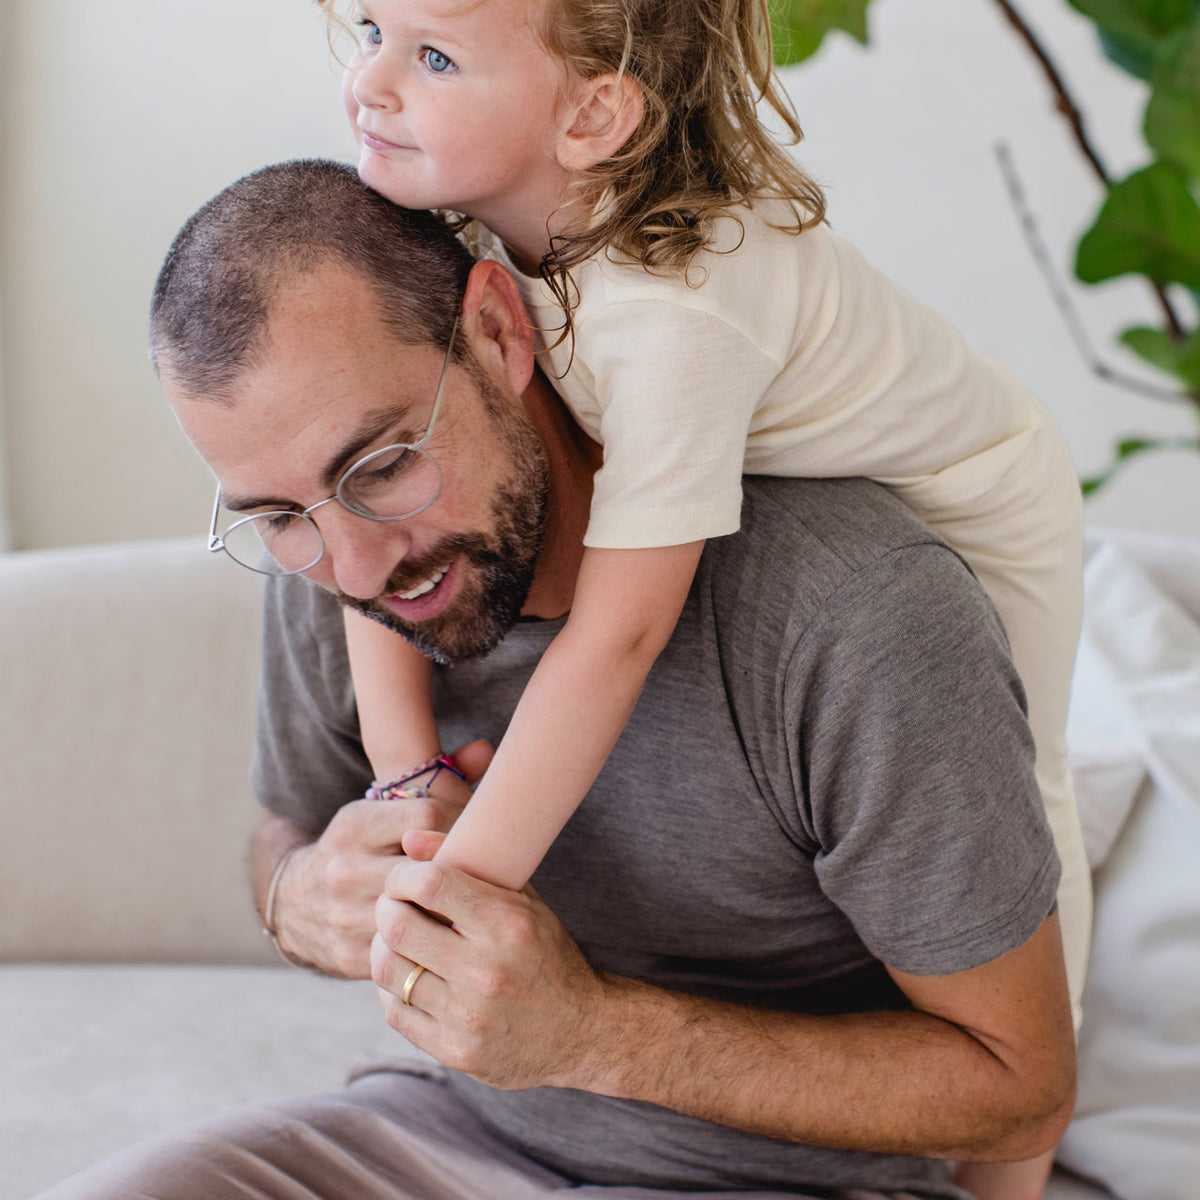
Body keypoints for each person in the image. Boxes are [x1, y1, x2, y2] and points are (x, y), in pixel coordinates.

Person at [39, 159, 1075, 1200]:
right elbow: (286, 836)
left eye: (386, 465)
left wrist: (587, 1035)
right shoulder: (332, 559)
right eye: (276, 515)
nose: (353, 570)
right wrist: (298, 899)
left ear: (498, 333)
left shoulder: (848, 612)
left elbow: (1019, 1087)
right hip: (436, 1136)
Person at [321, 4, 1090, 1145]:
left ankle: (1013, 1168)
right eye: (374, 25)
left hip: (978, 488)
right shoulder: (454, 208)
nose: (368, 84)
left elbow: (620, 639)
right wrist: (405, 780)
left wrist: (455, 891)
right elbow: (361, 523)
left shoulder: (675, 322)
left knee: (1016, 812)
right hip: (813, 489)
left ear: (591, 115)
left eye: (430, 58)